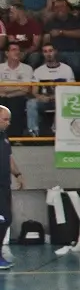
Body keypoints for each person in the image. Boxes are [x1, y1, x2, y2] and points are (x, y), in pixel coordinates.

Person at [0, 106, 23, 269]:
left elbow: (8, 158)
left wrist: (18, 174)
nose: (8, 123)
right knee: (2, 220)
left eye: (9, 120)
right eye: (5, 119)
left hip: (4, 186)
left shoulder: (4, 137)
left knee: (7, 219)